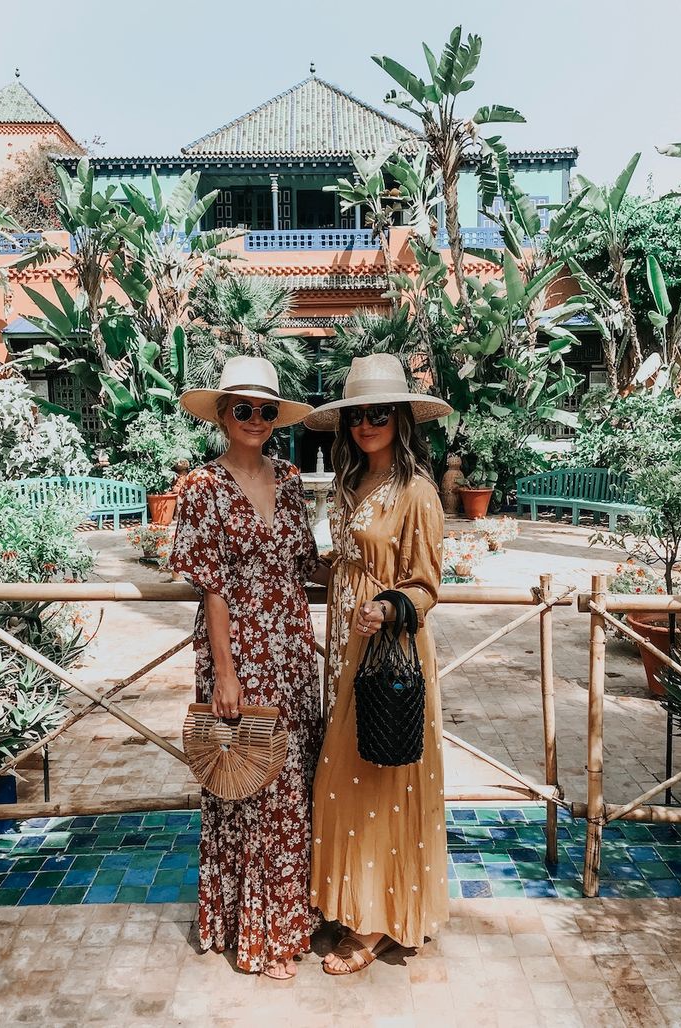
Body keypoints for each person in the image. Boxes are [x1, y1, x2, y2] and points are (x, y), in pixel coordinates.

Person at [170, 355, 321, 979]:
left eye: (265, 411)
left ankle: (287, 919)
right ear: (224, 415)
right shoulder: (202, 488)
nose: (254, 420)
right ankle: (257, 935)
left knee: (292, 785)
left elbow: (308, 564)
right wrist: (226, 673)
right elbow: (213, 587)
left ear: (276, 419)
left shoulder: (288, 479)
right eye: (243, 410)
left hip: (292, 657)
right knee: (249, 790)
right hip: (241, 658)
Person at [304, 353, 453, 975]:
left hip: (390, 659)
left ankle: (374, 926)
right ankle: (352, 907)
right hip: (343, 656)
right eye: (357, 415)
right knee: (341, 784)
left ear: (399, 419)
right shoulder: (348, 483)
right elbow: (343, 560)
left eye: (378, 413)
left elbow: (427, 585)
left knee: (383, 783)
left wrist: (389, 609)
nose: (367, 424)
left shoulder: (416, 492)